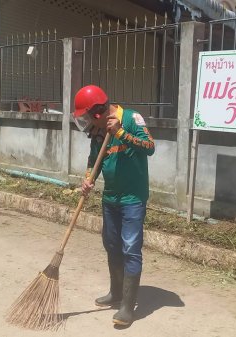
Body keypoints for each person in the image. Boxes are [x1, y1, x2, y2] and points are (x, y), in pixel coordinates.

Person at [72, 85, 155, 326]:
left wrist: (120, 133)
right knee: (111, 244)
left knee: (130, 248)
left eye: (87, 117)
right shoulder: (98, 132)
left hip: (132, 199)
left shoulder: (130, 119)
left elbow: (150, 147)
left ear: (97, 112)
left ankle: (128, 307)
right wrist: (88, 179)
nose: (87, 123)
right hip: (110, 198)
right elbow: (93, 161)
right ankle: (116, 293)